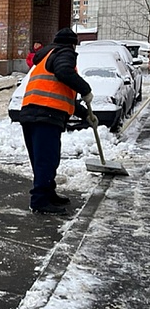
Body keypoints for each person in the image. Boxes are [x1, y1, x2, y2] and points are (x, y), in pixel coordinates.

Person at [19, 28, 97, 215]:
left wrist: (86, 114)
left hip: (31, 113)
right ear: (72, 44)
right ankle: (40, 202)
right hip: (46, 114)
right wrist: (85, 89)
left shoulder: (46, 57)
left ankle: (48, 193)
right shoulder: (64, 53)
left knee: (43, 159)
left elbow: (62, 92)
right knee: (47, 159)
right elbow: (64, 72)